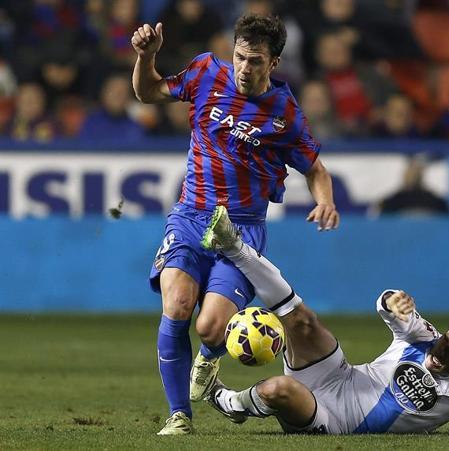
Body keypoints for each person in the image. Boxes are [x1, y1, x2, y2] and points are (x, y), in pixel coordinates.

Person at [130, 14, 339, 435]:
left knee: (210, 327)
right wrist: (147, 57)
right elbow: (148, 92)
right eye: (240, 57)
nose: (245, 68)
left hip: (241, 231)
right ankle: (179, 417)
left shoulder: (285, 114)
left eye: (256, 61)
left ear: (274, 63)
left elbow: (315, 170)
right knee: (177, 307)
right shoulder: (206, 71)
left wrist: (326, 202)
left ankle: (209, 355)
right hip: (191, 216)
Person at [200, 205, 449, 436]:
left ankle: (231, 401)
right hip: (339, 376)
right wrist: (393, 300)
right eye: (446, 340)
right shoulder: (423, 336)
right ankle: (232, 245)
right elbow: (387, 306)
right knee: (302, 320)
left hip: (332, 420)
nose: (441, 350)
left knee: (280, 389)